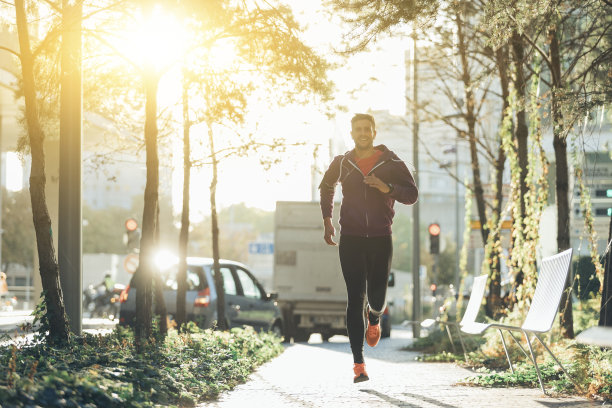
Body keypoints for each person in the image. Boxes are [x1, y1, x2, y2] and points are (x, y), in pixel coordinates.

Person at [319, 113, 418, 383]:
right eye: (358, 129)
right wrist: (328, 221)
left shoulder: (391, 161)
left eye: (367, 129)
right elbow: (326, 187)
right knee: (355, 298)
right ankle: (359, 364)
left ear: (374, 132)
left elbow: (412, 194)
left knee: (376, 298)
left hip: (380, 237)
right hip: (350, 238)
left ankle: (374, 318)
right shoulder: (342, 163)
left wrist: (386, 187)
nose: (362, 133)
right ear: (352, 133)